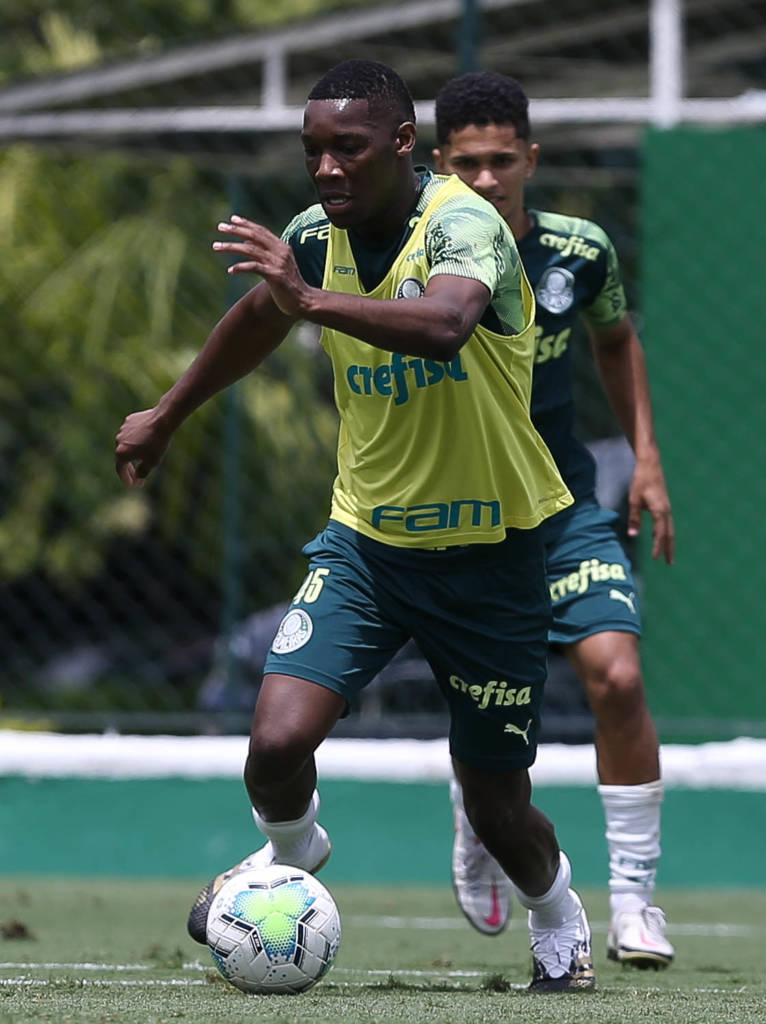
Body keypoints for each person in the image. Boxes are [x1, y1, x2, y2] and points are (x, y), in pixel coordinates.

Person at [115, 59, 596, 993]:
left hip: (492, 556)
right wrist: (168, 415)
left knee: (498, 809)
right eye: (313, 150)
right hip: (369, 547)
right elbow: (258, 319)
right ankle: (295, 852)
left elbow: (445, 325)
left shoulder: (463, 223)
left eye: (349, 148)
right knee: (274, 747)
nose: (327, 167)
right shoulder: (313, 237)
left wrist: (308, 300)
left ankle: (556, 911)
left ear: (404, 144)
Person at [433, 71, 676, 969]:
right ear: (439, 165)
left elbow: (616, 339)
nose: (487, 179)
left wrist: (645, 459)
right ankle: (480, 819)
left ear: (531, 159)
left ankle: (636, 904)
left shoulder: (581, 250)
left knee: (617, 677)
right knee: (488, 712)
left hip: (563, 507)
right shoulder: (412, 253)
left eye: (503, 161)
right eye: (468, 164)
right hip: (456, 519)